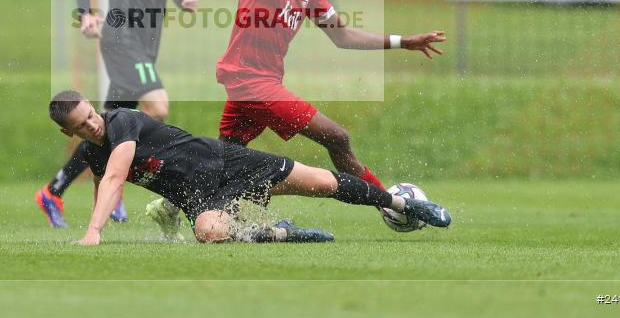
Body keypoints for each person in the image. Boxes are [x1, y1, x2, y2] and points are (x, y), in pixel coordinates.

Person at [147, 0, 446, 238]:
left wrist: (402, 42)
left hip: (259, 84)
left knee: (224, 162)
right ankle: (388, 202)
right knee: (337, 137)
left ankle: (171, 204)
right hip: (252, 82)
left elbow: (342, 36)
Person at [47, 90, 451, 246]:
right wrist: (105, 209)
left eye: (90, 114)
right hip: (198, 194)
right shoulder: (93, 151)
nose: (92, 123)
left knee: (321, 182)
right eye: (81, 125)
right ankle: (279, 234)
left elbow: (118, 175)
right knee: (209, 233)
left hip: (223, 159)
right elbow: (106, 183)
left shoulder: (121, 120)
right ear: (69, 130)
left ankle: (401, 204)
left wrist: (93, 232)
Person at [36, 0, 200, 229]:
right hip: (120, 34)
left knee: (106, 126)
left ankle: (54, 190)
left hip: (148, 42)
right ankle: (118, 183)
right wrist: (86, 15)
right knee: (157, 107)